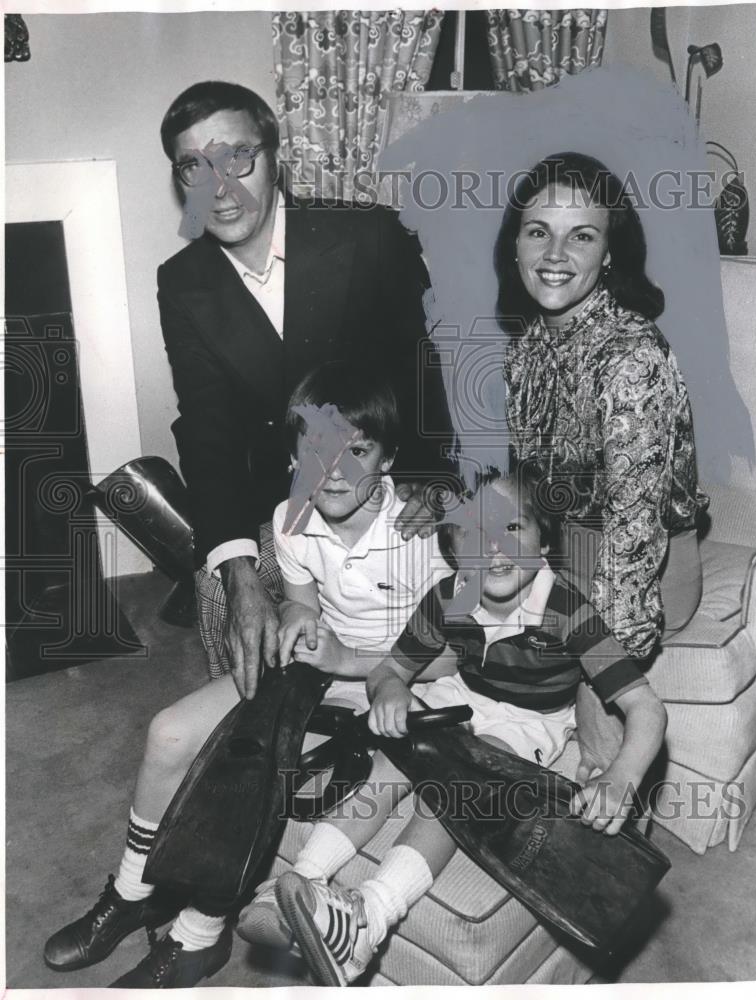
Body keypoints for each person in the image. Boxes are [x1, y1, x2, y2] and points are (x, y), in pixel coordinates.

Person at [42, 361, 451, 988]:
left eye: (357, 450)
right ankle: (127, 894)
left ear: (388, 459)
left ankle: (199, 939)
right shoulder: (293, 517)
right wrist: (299, 619)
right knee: (169, 731)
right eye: (314, 449)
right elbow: (304, 601)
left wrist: (352, 661)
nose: (333, 470)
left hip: (410, 682)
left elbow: (456, 654)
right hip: (321, 667)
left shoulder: (423, 533)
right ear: (292, 456)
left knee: (253, 760)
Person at [250, 464, 667, 987]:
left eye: (512, 529)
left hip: (528, 720)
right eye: (473, 533)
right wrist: (392, 691)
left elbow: (647, 708)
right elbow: (390, 669)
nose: (493, 548)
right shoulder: (451, 597)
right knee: (392, 761)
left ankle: (368, 918)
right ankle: (301, 880)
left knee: (459, 786)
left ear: (544, 541)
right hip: (461, 695)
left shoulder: (568, 611)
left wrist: (622, 775)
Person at [157, 81, 450, 700]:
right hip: (281, 506)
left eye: (238, 157)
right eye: (196, 167)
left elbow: (422, 366)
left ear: (274, 155)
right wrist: (236, 567)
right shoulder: (182, 283)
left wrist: (433, 475)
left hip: (392, 479)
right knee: (218, 590)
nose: (222, 187)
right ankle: (260, 748)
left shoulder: (369, 234)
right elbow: (204, 427)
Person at [495, 152, 706, 664]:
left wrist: (606, 654)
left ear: (609, 252)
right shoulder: (524, 346)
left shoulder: (633, 359)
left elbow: (635, 530)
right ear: (516, 245)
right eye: (538, 232)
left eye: (582, 236)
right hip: (555, 557)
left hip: (640, 572)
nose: (555, 253)